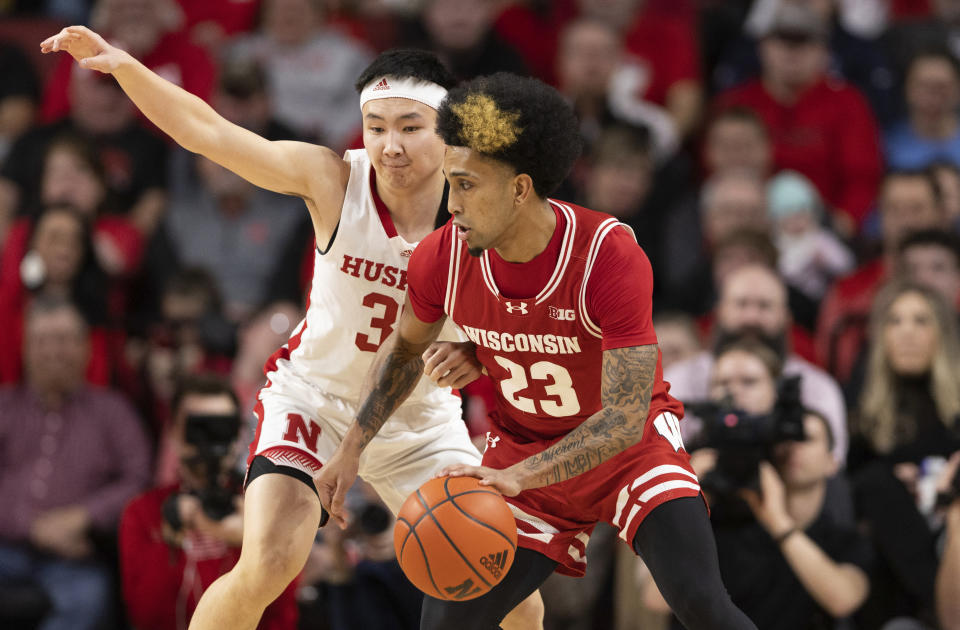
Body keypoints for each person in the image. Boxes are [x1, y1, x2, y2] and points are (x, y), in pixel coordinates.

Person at [41, 25, 542, 630]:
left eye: (410, 126)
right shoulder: (331, 178)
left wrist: (482, 352)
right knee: (270, 561)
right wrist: (125, 67)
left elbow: (539, 317)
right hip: (317, 403)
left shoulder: (488, 210)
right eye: (376, 126)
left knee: (514, 597)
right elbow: (209, 132)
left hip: (418, 421)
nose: (390, 145)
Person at [316, 72, 756, 630]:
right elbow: (403, 353)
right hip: (521, 448)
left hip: (627, 450)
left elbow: (622, 416)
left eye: (467, 185)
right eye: (449, 183)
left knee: (699, 601)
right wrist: (351, 449)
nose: (450, 204)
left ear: (520, 189)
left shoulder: (607, 253)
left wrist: (521, 476)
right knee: (445, 623)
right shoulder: (441, 258)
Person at [647, 340, 871, 629]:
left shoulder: (791, 460)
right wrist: (689, 504)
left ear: (775, 393)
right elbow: (654, 598)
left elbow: (843, 598)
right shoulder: (684, 460)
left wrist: (777, 518)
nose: (733, 391)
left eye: (749, 381)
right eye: (722, 382)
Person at [0, 296, 151, 630]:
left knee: (89, 601)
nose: (54, 352)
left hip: (77, 557)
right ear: (25, 349)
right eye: (43, 341)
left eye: (65, 340)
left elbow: (138, 478)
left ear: (86, 348)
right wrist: (32, 526)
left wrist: (82, 516)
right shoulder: (5, 407)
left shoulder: (114, 412)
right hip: (5, 547)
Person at [119, 375, 298, 630]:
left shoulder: (262, 507)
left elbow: (282, 616)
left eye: (222, 429)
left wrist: (254, 543)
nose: (211, 442)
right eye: (198, 428)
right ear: (173, 433)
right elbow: (146, 615)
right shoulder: (143, 512)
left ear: (238, 435)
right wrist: (173, 534)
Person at [666, 263, 848, 465]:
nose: (751, 318)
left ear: (786, 318)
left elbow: (831, 467)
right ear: (719, 312)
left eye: (764, 306)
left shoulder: (817, 387)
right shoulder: (677, 382)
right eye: (741, 304)